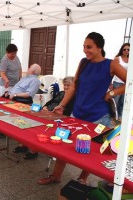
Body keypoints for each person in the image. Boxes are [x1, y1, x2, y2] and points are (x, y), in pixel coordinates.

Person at [38, 32, 127, 185]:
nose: (85, 50)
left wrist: (111, 93)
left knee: (91, 150)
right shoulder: (83, 62)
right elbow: (74, 86)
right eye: (84, 47)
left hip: (99, 115)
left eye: (89, 47)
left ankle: (83, 178)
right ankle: (56, 175)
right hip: (78, 112)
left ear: (99, 47)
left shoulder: (110, 64)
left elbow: (130, 81)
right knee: (64, 144)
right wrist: (62, 105)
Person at [3, 64, 42, 159]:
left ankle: (33, 151)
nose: (27, 69)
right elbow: (16, 87)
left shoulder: (35, 80)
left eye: (29, 68)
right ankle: (22, 144)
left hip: (22, 102)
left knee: (25, 126)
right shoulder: (25, 78)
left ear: (32, 71)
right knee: (16, 125)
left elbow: (29, 94)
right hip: (13, 99)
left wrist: (15, 95)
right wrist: (9, 92)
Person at [111, 43, 129, 120]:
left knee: (122, 101)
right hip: (117, 83)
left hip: (126, 84)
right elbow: (112, 71)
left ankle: (120, 117)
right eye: (124, 49)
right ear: (122, 50)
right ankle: (113, 116)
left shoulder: (130, 60)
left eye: (128, 49)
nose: (126, 51)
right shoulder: (117, 59)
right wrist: (111, 83)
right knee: (115, 101)